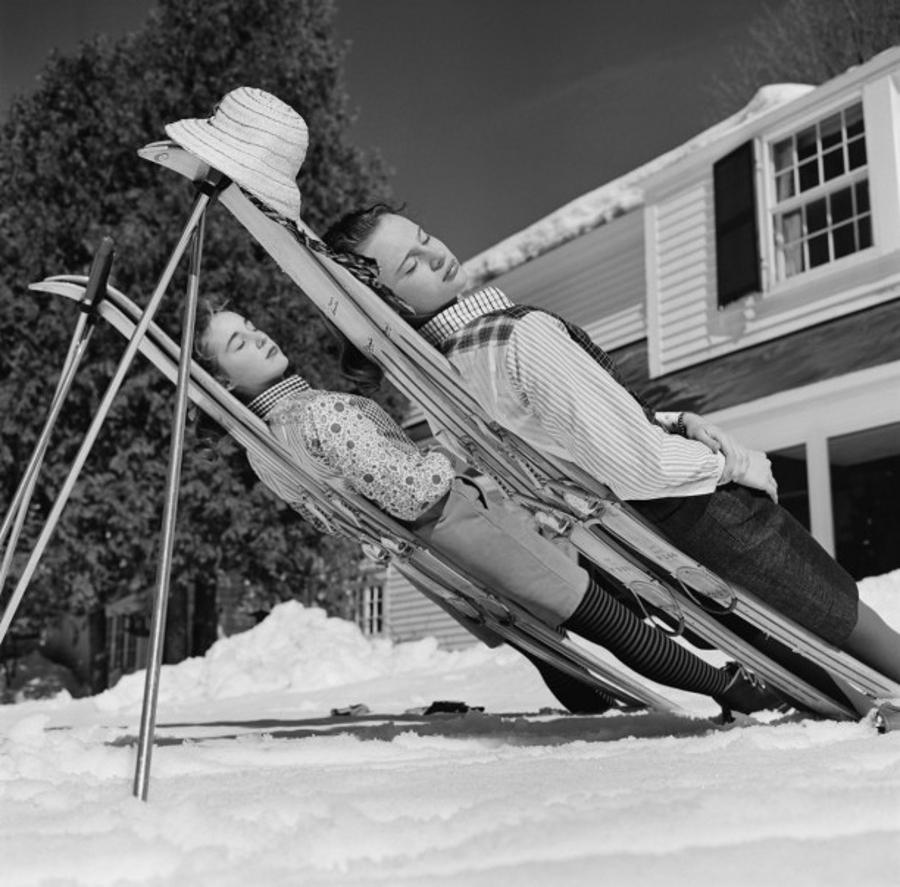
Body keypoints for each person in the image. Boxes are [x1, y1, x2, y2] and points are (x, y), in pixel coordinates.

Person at [322, 205, 900, 687]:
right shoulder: (515, 337)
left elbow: (566, 439)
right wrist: (730, 464)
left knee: (799, 655)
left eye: (424, 238)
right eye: (411, 266)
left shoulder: (444, 379)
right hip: (691, 508)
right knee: (841, 618)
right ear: (388, 303)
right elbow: (635, 463)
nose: (437, 255)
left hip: (631, 541)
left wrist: (674, 419)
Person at [193, 304, 780, 716]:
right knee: (598, 610)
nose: (260, 336)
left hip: (425, 554)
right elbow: (411, 490)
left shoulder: (265, 449)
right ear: (223, 380)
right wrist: (450, 457)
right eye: (239, 343)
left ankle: (591, 699)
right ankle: (730, 687)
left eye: (250, 326)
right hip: (452, 522)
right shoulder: (318, 414)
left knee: (538, 625)